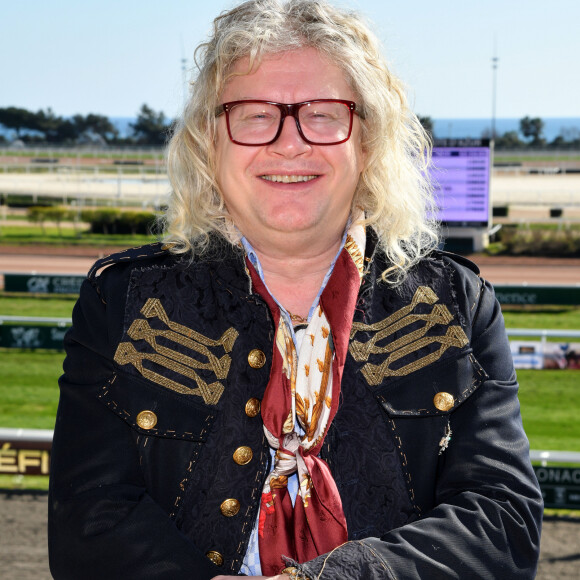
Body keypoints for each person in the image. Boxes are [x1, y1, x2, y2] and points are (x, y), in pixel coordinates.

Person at [48, 0, 543, 578]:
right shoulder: (125, 303)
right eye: (255, 114)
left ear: (368, 139)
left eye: (324, 113)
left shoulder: (454, 304)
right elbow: (89, 518)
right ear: (210, 141)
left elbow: (501, 521)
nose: (289, 143)